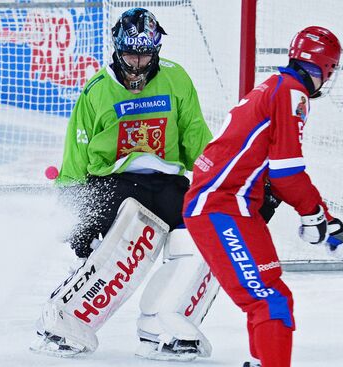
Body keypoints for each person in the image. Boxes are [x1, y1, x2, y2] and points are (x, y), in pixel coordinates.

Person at [29, 8, 221, 362]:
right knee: (127, 243)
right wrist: (76, 211)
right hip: (114, 183)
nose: (137, 64)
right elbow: (76, 155)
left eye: (144, 54)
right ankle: (64, 320)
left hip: (167, 182)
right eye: (130, 54)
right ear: (117, 50)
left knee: (202, 237)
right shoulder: (97, 91)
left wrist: (227, 179)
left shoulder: (178, 80)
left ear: (156, 50)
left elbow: (197, 141)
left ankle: (163, 323)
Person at [183, 26, 343, 367]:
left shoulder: (277, 87)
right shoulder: (292, 93)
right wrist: (314, 216)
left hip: (231, 204)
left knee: (272, 295)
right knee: (269, 300)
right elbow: (286, 173)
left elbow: (276, 169)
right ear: (326, 68)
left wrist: (326, 221)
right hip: (219, 206)